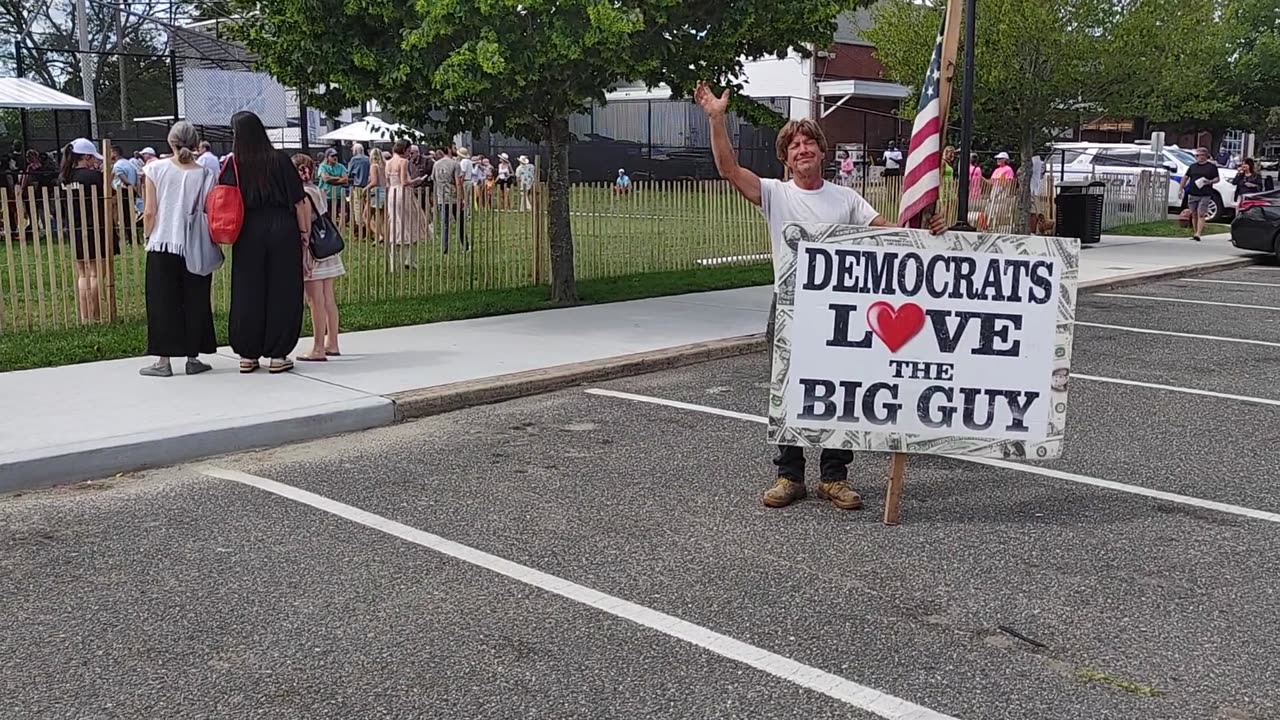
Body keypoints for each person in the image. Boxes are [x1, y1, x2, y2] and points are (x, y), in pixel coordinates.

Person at [695, 81, 945, 511]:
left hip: (840, 313)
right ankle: (789, 475)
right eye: (794, 145)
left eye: (810, 142)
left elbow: (883, 231)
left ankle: (834, 476)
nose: (803, 149)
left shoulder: (846, 198)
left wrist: (921, 236)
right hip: (791, 308)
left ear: (823, 152)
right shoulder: (775, 195)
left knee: (841, 389)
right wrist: (717, 118)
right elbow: (728, 169)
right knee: (788, 389)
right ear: (785, 157)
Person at [222, 110, 309, 374]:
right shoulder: (280, 160)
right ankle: (278, 353)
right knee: (283, 289)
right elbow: (299, 200)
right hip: (282, 227)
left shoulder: (233, 164)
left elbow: (223, 196)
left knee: (248, 290)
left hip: (248, 229)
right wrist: (304, 234)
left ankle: (248, 353)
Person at [138, 121, 218, 377]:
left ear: (170, 142)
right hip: (195, 244)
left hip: (163, 242)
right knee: (195, 300)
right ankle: (193, 356)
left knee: (162, 302)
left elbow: (150, 210)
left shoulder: (155, 169)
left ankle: (163, 360)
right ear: (195, 143)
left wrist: (146, 234)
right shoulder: (206, 173)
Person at [293, 154, 345, 362]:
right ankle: (332, 342)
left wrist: (302, 256)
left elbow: (304, 227)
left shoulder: (302, 194)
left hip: (312, 251)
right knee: (328, 298)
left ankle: (317, 347)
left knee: (314, 300)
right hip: (326, 248)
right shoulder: (316, 189)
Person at [59, 138, 117, 324]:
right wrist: (106, 177)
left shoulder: (64, 178)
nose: (95, 162)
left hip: (75, 228)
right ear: (85, 156)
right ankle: (96, 315)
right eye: (92, 158)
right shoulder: (93, 177)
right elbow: (111, 195)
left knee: (82, 274)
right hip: (95, 227)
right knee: (96, 273)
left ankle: (85, 317)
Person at [385, 139, 429, 267]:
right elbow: (404, 181)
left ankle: (395, 262)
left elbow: (387, 183)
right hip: (402, 192)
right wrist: (416, 180)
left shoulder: (388, 162)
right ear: (404, 150)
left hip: (392, 193)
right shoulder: (403, 161)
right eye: (409, 151)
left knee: (396, 223)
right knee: (411, 223)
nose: (409, 154)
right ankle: (410, 259)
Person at [1180, 147, 1221, 242]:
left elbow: (1217, 179)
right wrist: (1181, 188)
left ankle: (1198, 233)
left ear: (1206, 156)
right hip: (1193, 192)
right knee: (1194, 214)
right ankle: (1195, 232)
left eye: (1201, 155)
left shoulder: (1211, 167)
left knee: (1201, 213)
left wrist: (1209, 181)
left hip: (1205, 193)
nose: (1199, 157)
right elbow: (1185, 177)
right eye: (1197, 155)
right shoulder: (1192, 167)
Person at [432, 145, 466, 251]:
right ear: (449, 150)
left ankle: (445, 247)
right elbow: (458, 183)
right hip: (454, 197)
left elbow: (434, 179)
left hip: (441, 197)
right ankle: (464, 245)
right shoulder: (455, 164)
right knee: (460, 222)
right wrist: (462, 198)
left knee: (444, 223)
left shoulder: (436, 164)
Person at [316, 148, 349, 221]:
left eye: (336, 155)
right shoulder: (322, 166)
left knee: (343, 215)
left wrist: (331, 180)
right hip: (326, 196)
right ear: (327, 157)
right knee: (328, 216)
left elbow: (345, 180)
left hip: (339, 195)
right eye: (332, 156)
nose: (335, 157)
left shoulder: (341, 166)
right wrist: (338, 177)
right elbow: (325, 178)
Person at [364, 145, 387, 242]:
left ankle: (378, 235)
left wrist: (365, 189)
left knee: (365, 216)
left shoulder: (374, 166)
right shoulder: (385, 166)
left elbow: (374, 182)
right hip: (385, 191)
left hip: (376, 192)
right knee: (381, 218)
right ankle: (384, 237)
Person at [348, 143, 370, 231]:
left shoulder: (354, 160)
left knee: (357, 207)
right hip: (368, 186)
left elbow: (349, 173)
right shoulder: (368, 159)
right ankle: (368, 227)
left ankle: (360, 227)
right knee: (367, 207)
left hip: (357, 186)